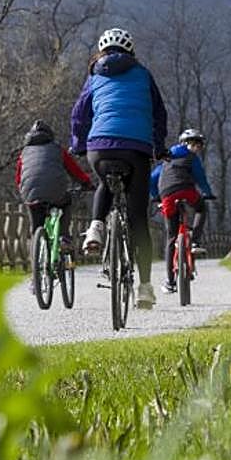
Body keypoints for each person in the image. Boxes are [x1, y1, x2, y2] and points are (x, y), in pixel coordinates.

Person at [70, 27, 168, 309]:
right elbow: (159, 113)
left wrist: (78, 144)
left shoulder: (95, 75)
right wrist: (159, 147)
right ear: (131, 51)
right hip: (135, 147)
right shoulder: (143, 74)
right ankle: (146, 288)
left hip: (99, 147)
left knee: (104, 183)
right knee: (138, 218)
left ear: (101, 51)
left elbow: (79, 113)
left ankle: (95, 227)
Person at [151, 128, 215, 294]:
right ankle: (194, 242)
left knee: (171, 238)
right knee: (201, 208)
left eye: (198, 145)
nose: (196, 148)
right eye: (195, 144)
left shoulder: (166, 157)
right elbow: (200, 177)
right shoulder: (192, 158)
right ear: (187, 144)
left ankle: (170, 282)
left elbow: (152, 178)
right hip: (187, 191)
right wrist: (207, 193)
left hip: (167, 195)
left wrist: (156, 196)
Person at [15, 120, 93, 254]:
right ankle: (64, 237)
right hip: (55, 192)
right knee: (66, 202)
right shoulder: (57, 149)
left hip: (30, 193)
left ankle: (36, 254)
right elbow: (74, 170)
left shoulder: (24, 153)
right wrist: (86, 183)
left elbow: (18, 178)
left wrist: (26, 190)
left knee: (36, 225)